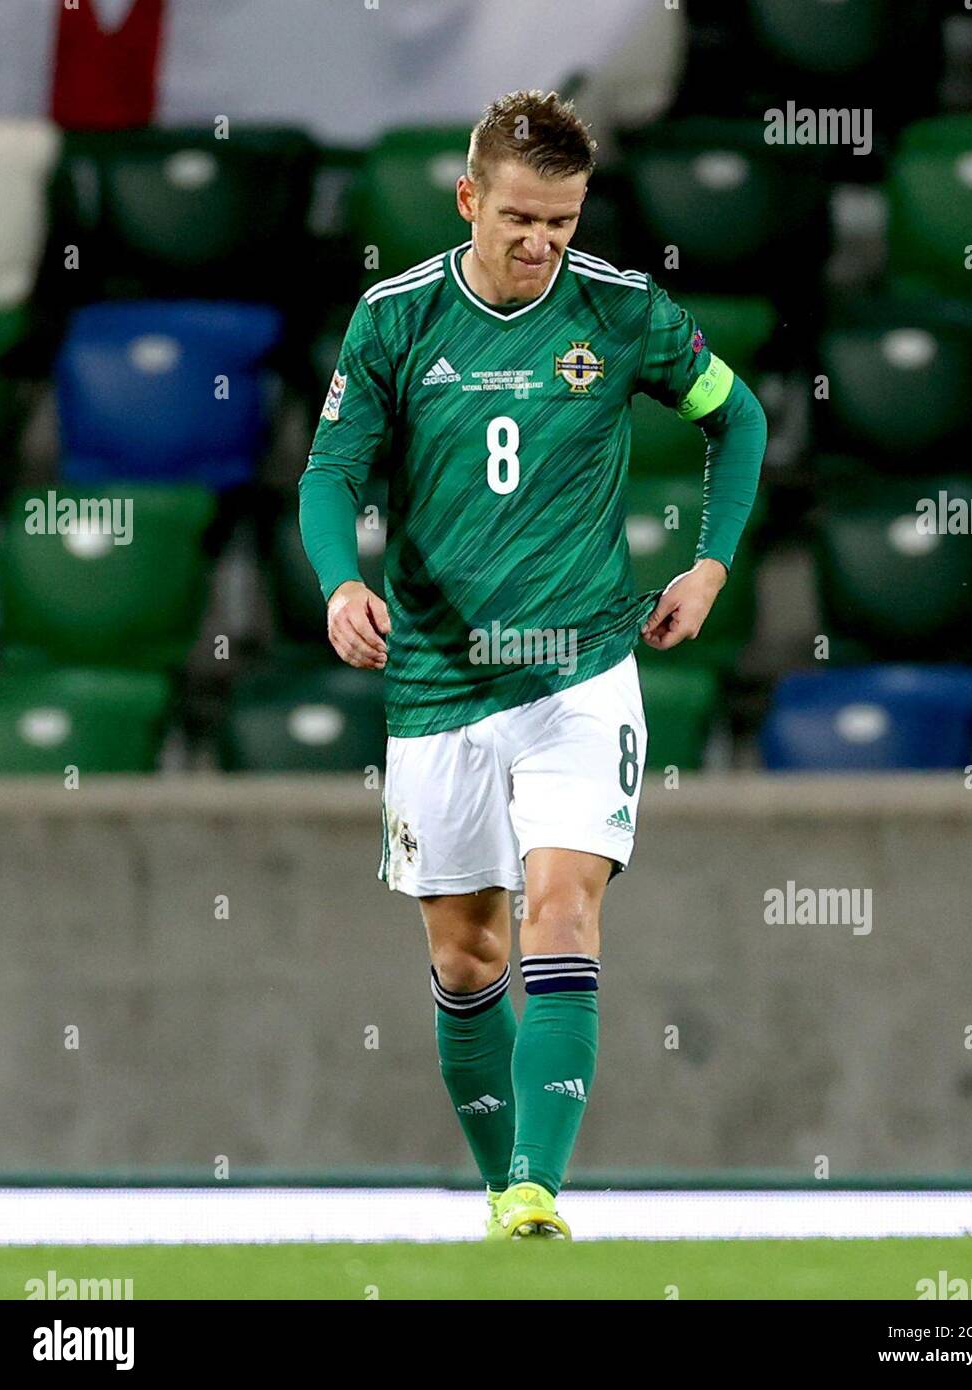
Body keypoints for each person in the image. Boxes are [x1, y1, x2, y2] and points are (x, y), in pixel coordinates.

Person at [299, 89, 767, 1239]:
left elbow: (740, 416)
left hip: (579, 675)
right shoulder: (395, 319)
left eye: (560, 221)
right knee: (468, 957)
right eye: (518, 218)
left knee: (561, 909)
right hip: (440, 685)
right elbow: (328, 475)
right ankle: (500, 1181)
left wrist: (709, 566)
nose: (540, 243)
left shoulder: (619, 312)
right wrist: (340, 582)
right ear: (469, 199)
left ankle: (532, 1191)